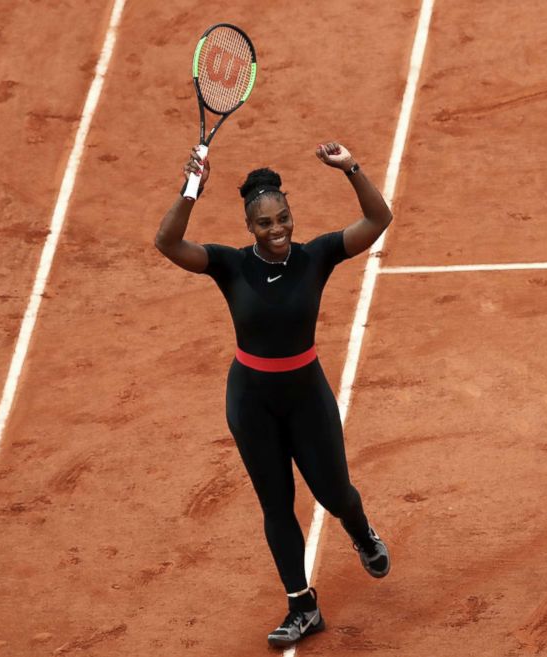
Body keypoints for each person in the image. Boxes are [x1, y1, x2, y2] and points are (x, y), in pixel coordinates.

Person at [154, 141, 393, 648]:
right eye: (265, 223)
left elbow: (378, 219)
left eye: (283, 217)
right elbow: (168, 243)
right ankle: (302, 606)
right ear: (250, 228)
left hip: (307, 397)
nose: (278, 229)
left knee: (334, 495)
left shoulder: (317, 256)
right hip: (251, 403)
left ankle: (361, 529)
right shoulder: (229, 265)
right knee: (276, 504)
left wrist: (351, 168)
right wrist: (191, 188)